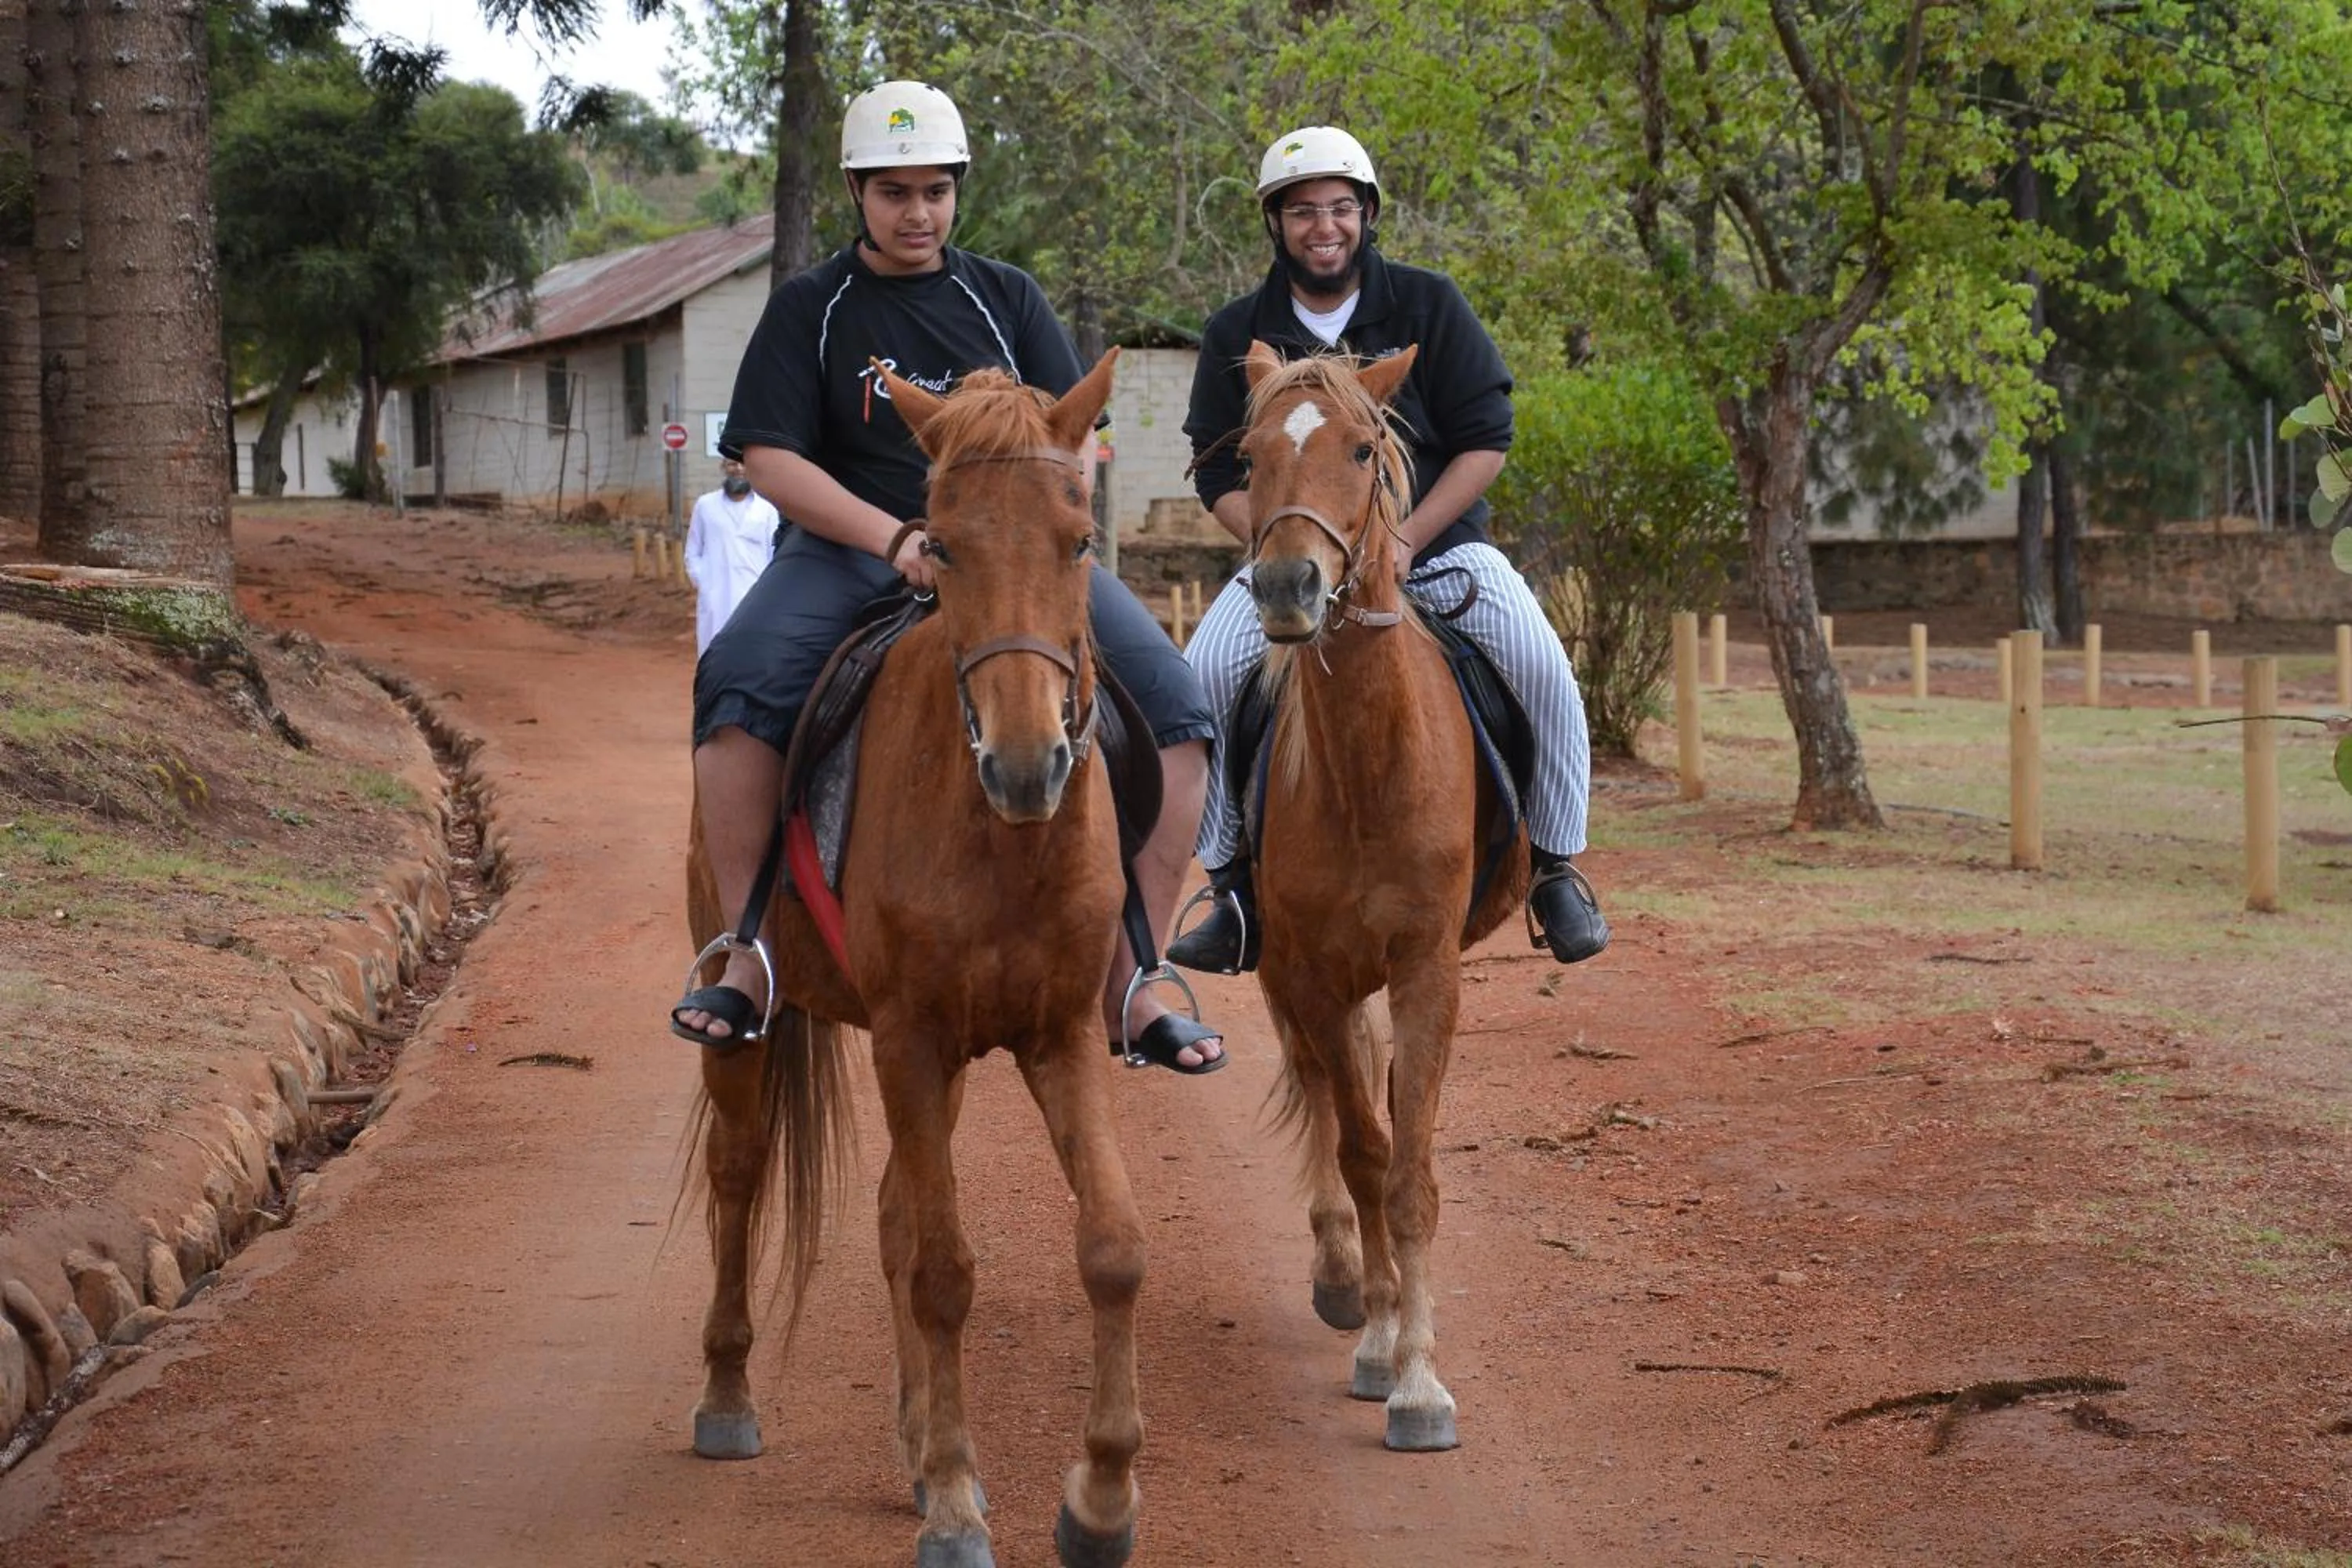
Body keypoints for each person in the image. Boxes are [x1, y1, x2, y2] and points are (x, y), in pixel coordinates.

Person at [672, 81, 1226, 1073]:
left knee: (1182, 716)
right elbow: (769, 456)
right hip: (849, 553)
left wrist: (1025, 525)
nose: (917, 212)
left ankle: (1132, 975)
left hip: (1012, 560)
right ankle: (746, 947)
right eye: (894, 192)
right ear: (855, 191)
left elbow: (1073, 436)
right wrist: (895, 539)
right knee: (738, 685)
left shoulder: (1004, 296)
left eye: (935, 190)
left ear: (958, 190)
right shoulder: (813, 307)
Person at [1169, 125, 1610, 975]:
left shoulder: (1428, 304)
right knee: (1203, 677)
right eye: (1302, 211)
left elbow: (1487, 439)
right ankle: (1229, 887)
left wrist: (1405, 537)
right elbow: (1217, 469)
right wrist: (1275, 547)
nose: (1323, 226)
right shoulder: (1239, 329)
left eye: (1340, 207)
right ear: (1275, 223)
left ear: (1367, 214)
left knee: (1544, 668)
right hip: (1290, 562)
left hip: (1437, 552)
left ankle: (1556, 865)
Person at [683, 458, 781, 654]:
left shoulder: (767, 509)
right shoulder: (705, 505)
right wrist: (704, 583)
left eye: (742, 464)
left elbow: (775, 556)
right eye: (731, 464)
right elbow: (692, 552)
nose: (738, 469)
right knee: (713, 654)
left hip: (755, 596)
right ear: (723, 468)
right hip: (715, 597)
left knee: (750, 655)